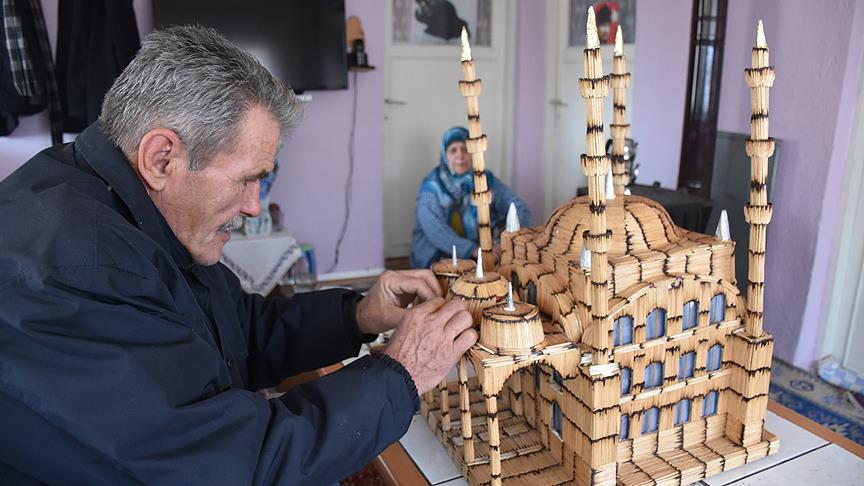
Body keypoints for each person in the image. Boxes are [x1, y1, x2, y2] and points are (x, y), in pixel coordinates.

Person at [0, 26, 476, 485]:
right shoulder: (73, 271)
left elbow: (238, 328)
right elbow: (228, 465)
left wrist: (359, 314)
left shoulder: (130, 209)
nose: (253, 205)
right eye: (247, 179)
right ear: (161, 158)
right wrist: (402, 372)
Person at [410, 126, 532, 269]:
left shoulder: (484, 178)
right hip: (441, 251)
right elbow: (434, 229)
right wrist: (473, 250)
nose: (460, 155)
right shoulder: (431, 186)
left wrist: (506, 243)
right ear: (444, 155)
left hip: (484, 249)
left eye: (465, 149)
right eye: (453, 150)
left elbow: (519, 207)